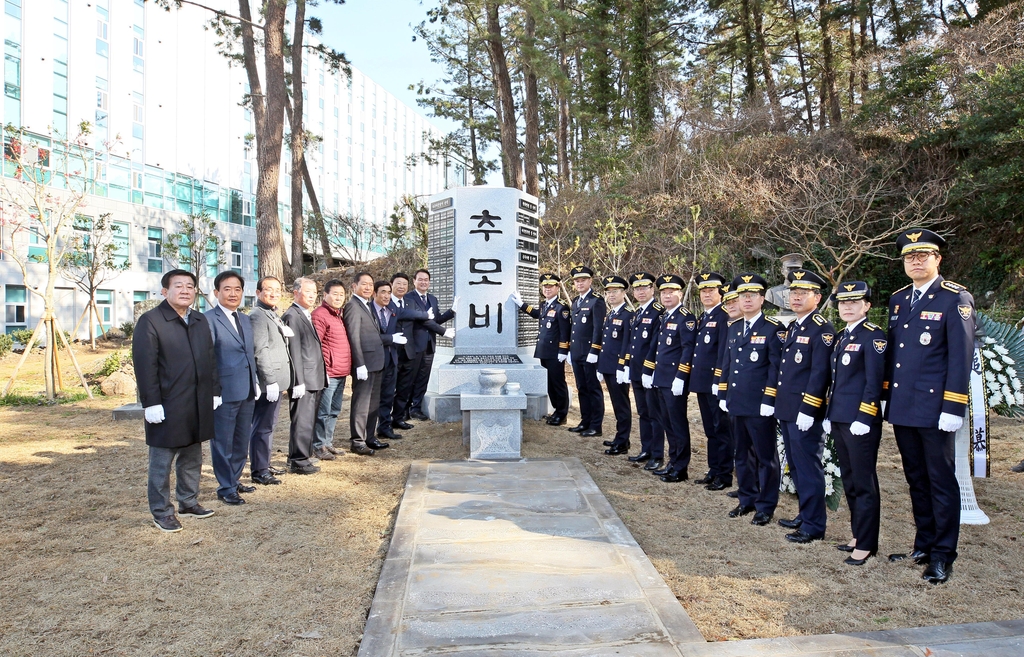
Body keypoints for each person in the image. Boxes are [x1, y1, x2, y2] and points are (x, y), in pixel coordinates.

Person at [884, 228, 975, 584]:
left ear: (938, 259)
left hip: (937, 409)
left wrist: (953, 406)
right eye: (910, 256)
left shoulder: (955, 298)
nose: (916, 260)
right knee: (916, 479)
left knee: (940, 481)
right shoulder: (898, 299)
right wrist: (885, 392)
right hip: (904, 406)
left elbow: (960, 356)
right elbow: (895, 354)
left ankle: (943, 555)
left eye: (923, 255)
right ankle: (923, 542)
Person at [133, 269, 219, 532]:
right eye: (178, 286)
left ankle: (188, 501)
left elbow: (210, 359)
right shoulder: (151, 321)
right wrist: (150, 402)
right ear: (164, 291)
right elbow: (144, 365)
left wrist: (215, 390)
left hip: (196, 401)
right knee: (162, 461)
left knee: (192, 456)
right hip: (167, 403)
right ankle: (161, 511)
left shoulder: (199, 320)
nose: (185, 290)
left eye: (190, 286)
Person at [823, 281, 886, 566]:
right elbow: (836, 384)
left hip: (860, 421)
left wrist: (865, 416)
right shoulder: (841, 336)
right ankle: (858, 535)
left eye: (854, 302)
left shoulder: (873, 337)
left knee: (864, 481)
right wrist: (828, 415)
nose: (847, 306)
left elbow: (874, 383)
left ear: (867, 306)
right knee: (848, 479)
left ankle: (868, 543)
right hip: (840, 417)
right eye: (843, 302)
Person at [772, 269, 835, 544]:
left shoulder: (822, 329)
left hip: (805, 412)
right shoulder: (795, 326)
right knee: (796, 465)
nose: (796, 298)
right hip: (788, 409)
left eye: (803, 293)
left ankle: (814, 525)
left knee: (808, 466)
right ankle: (805, 512)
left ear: (817, 297)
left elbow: (820, 374)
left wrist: (809, 409)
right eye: (793, 293)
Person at [718, 274, 785, 525]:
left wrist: (770, 399)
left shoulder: (773, 329)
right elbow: (727, 364)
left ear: (762, 298)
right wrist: (723, 393)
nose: (746, 300)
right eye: (742, 296)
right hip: (736, 402)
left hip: (760, 405)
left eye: (752, 296)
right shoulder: (734, 328)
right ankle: (746, 499)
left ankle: (766, 505)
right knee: (742, 455)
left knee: (765, 457)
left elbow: (774, 369)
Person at [206, 271, 260, 506]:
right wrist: (213, 390)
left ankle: (234, 478)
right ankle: (225, 486)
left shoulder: (245, 319)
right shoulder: (208, 319)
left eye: (237, 289)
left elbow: (250, 354)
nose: (233, 293)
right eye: (227, 289)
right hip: (224, 391)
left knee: (241, 440)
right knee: (223, 442)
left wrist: (255, 381)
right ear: (217, 292)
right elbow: (208, 357)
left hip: (247, 389)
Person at [642, 274, 696, 482]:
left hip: (674, 381)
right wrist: (649, 371)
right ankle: (673, 462)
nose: (666, 296)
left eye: (670, 292)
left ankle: (681, 468)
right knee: (667, 423)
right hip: (661, 378)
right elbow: (657, 348)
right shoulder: (665, 316)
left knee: (678, 424)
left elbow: (687, 349)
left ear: (680, 294)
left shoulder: (685, 317)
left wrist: (681, 376)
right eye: (663, 292)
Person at [510, 273, 571, 426]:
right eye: (545, 286)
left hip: (555, 352)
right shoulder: (545, 304)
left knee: (558, 383)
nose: (547, 289)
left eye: (551, 286)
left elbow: (565, 331)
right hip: (544, 350)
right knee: (549, 382)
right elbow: (538, 315)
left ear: (557, 287)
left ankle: (562, 414)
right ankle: (557, 410)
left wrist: (564, 351)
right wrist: (522, 304)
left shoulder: (561, 307)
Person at [248, 276, 292, 486]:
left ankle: (263, 463)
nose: (274, 293)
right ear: (258, 292)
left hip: (277, 381)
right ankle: (259, 470)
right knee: (262, 427)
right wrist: (270, 380)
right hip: (269, 383)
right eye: (268, 289)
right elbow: (260, 349)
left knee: (269, 425)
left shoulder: (271, 314)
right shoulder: (257, 315)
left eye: (277, 289)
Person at [690, 272, 732, 491]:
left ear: (720, 292)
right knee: (710, 429)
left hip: (715, 383)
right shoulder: (704, 316)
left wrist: (718, 379)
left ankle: (724, 474)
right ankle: (713, 468)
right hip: (702, 382)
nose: (707, 294)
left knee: (721, 428)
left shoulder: (724, 315)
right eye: (703, 291)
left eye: (711, 291)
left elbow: (724, 351)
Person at [282, 277, 328, 474]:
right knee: (302, 421)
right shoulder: (292, 315)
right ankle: (298, 461)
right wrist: (298, 381)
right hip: (304, 379)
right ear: (296, 292)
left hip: (314, 377)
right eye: (308, 291)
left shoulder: (305, 314)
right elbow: (293, 351)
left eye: (314, 292)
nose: (312, 296)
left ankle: (303, 456)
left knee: (309, 420)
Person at [621, 272, 666, 471]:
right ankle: (646, 449)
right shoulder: (638, 312)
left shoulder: (658, 311)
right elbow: (633, 344)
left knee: (655, 414)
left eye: (644, 288)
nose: (640, 292)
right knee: (643, 412)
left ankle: (657, 454)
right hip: (637, 371)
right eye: (637, 288)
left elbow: (655, 345)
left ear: (652, 289)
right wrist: (626, 364)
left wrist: (649, 369)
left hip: (651, 372)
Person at [344, 272, 388, 454]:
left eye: (370, 284)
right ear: (354, 286)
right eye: (364, 284)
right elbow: (353, 337)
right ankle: (357, 441)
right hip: (365, 364)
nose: (368, 287)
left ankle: (370, 437)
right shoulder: (353, 306)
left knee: (373, 403)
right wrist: (359, 363)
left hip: (376, 362)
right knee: (361, 403)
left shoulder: (367, 305)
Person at [403, 269, 455, 421]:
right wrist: (444, 332)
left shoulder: (432, 299)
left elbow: (435, 320)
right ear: (414, 281)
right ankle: (403, 409)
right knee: (409, 378)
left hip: (429, 346)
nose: (423, 282)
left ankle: (416, 408)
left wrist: (451, 312)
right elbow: (423, 320)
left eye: (426, 280)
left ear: (429, 282)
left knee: (423, 379)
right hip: (414, 345)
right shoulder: (409, 298)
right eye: (420, 279)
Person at [311, 279, 352, 461]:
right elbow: (316, 345)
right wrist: (323, 371)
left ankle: (328, 442)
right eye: (334, 294)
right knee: (323, 411)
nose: (338, 297)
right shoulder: (320, 315)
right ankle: (319, 446)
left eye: (341, 294)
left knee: (334, 410)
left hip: (341, 371)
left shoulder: (338, 315)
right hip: (328, 372)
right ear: (325, 295)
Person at [596, 275, 633, 455]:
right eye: (608, 292)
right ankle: (620, 437)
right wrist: (601, 366)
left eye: (615, 292)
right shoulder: (612, 313)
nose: (611, 295)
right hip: (608, 366)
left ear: (624, 293)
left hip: (618, 368)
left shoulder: (628, 315)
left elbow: (627, 343)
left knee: (622, 404)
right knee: (616, 404)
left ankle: (623, 441)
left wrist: (623, 365)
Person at [568, 265, 606, 437]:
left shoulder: (596, 300)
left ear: (590, 281)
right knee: (581, 387)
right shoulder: (576, 301)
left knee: (593, 388)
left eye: (583, 280)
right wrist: (570, 349)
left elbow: (598, 328)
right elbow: (574, 328)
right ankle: (585, 421)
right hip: (577, 352)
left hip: (589, 353)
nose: (580, 283)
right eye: (577, 281)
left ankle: (596, 425)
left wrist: (595, 350)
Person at [713, 284, 743, 496]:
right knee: (740, 446)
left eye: (735, 302)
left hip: (751, 398)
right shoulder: (733, 327)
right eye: (728, 303)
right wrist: (722, 387)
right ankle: (745, 487)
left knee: (751, 449)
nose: (730, 306)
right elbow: (727, 361)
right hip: (731, 392)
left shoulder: (767, 328)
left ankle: (752, 489)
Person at [374, 279, 411, 441]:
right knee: (374, 398)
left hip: (391, 359)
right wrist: (391, 338)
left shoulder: (392, 309)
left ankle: (384, 427)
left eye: (389, 292)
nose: (387, 295)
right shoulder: (369, 311)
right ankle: (367, 432)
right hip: (374, 361)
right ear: (375, 293)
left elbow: (410, 314)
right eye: (383, 292)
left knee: (388, 395)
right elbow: (369, 336)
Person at [765, 254, 804, 324]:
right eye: (789, 269)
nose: (793, 272)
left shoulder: (808, 293)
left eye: (797, 269)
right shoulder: (772, 292)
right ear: (782, 271)